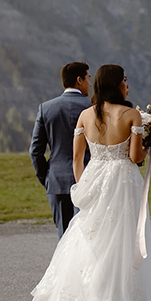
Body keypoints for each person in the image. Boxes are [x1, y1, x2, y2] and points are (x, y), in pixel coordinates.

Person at [31, 63, 151, 301]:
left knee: (93, 240)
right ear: (116, 84)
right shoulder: (131, 115)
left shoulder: (84, 115)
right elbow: (134, 158)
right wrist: (150, 142)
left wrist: (85, 187)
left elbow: (76, 158)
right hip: (122, 180)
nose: (128, 85)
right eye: (125, 80)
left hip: (95, 177)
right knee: (122, 240)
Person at [29, 61, 91, 238]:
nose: (90, 83)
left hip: (56, 180)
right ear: (79, 80)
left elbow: (35, 150)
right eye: (88, 78)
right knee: (87, 238)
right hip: (88, 179)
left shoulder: (46, 109)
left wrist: (47, 178)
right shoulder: (93, 108)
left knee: (64, 239)